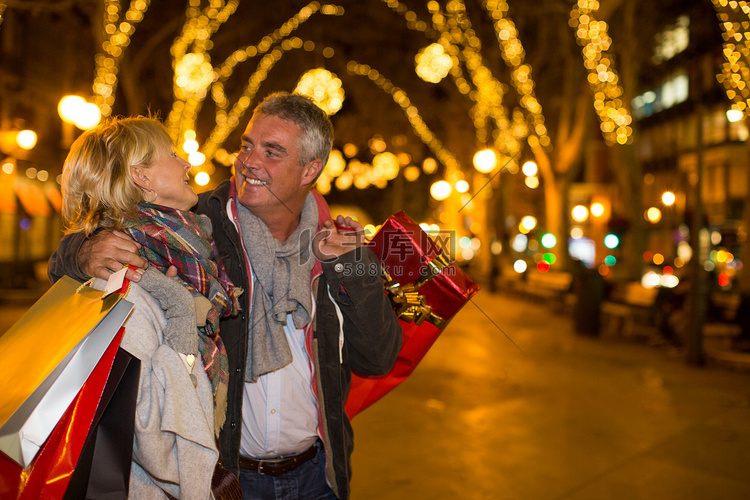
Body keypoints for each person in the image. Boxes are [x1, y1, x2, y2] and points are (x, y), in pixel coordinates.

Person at [49, 92, 403, 500]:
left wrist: (355, 267)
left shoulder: (338, 244)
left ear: (311, 169)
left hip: (319, 476)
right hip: (230, 480)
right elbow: (89, 243)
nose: (250, 161)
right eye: (247, 145)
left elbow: (378, 358)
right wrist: (82, 251)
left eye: (272, 152)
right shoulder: (201, 227)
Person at [58, 116, 240, 499]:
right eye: (172, 154)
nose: (186, 162)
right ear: (141, 176)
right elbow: (151, 439)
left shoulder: (178, 255)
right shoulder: (132, 288)